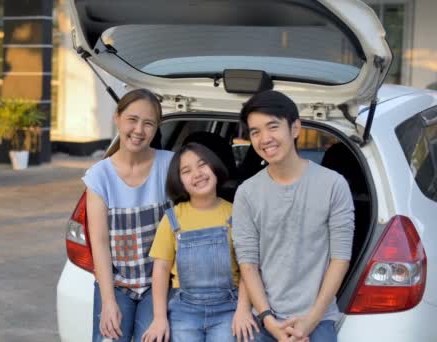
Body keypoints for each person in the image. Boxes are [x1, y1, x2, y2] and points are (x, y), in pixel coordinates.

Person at [231, 90, 355, 342]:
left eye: (272, 126)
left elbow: (340, 258)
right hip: (263, 318)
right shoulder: (246, 193)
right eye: (255, 132)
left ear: (295, 127)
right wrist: (268, 319)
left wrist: (310, 321)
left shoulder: (333, 185)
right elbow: (248, 264)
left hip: (318, 317)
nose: (265, 138)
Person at [83, 88, 174, 342]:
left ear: (156, 128)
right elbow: (99, 243)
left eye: (148, 124)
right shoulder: (99, 176)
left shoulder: (169, 166)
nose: (139, 130)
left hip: (159, 283)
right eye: (132, 120)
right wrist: (108, 302)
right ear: (117, 118)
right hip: (117, 284)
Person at [143, 142, 258, 342]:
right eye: (186, 171)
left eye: (202, 164)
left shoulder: (236, 214)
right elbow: (161, 269)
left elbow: (248, 266)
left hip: (228, 309)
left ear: (214, 167)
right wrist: (159, 318)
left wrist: (243, 310)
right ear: (179, 181)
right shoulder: (173, 218)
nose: (197, 174)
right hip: (184, 310)